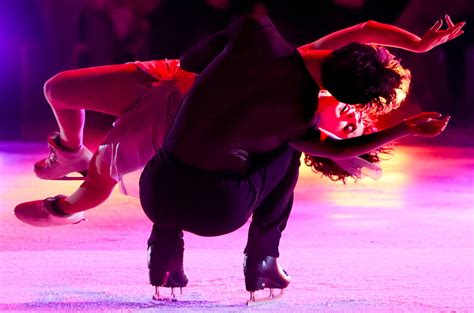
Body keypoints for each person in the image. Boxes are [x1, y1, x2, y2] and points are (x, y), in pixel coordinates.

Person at [14, 13, 461, 301]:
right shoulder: (303, 67)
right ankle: (71, 151)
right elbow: (362, 31)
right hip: (174, 82)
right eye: (355, 115)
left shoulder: (295, 116)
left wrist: (391, 128)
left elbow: (331, 143)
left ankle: (73, 208)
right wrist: (418, 45)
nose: (349, 117)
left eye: (352, 123)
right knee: (59, 89)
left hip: (172, 127)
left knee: (105, 179)